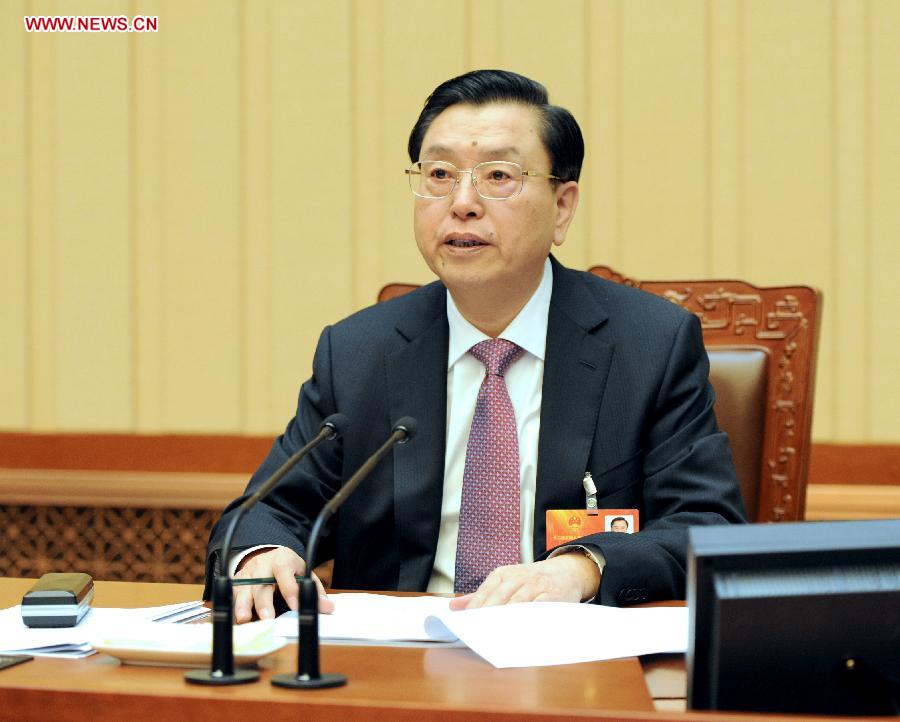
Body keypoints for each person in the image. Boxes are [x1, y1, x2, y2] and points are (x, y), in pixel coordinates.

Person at [204, 69, 746, 622]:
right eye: (439, 174)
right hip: (392, 667)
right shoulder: (359, 351)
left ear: (562, 206)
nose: (462, 202)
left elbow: (706, 526)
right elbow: (266, 509)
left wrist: (579, 568)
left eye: (498, 175)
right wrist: (264, 551)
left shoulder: (648, 345)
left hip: (572, 664)